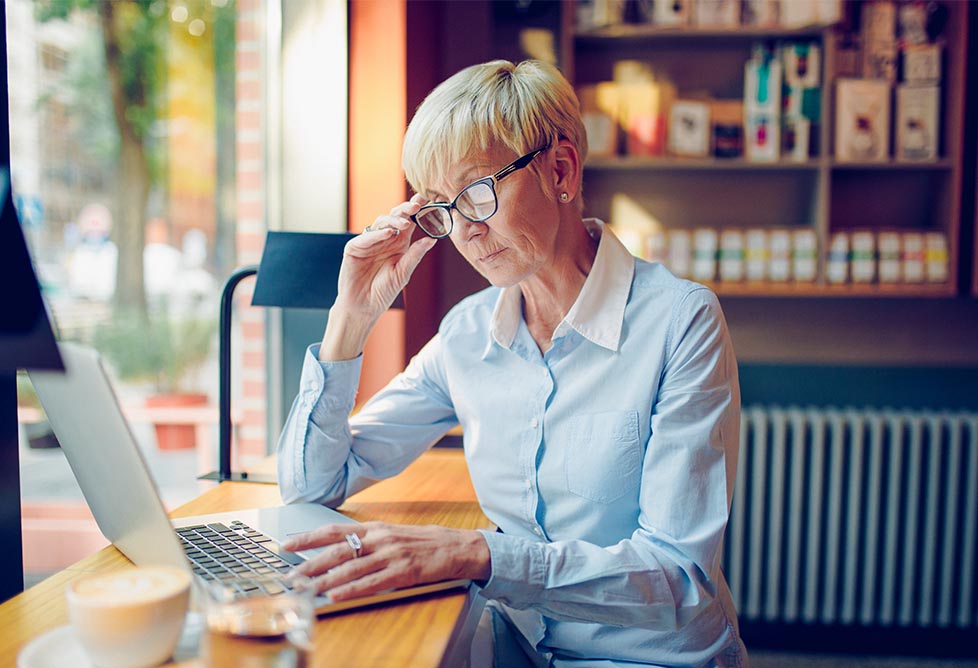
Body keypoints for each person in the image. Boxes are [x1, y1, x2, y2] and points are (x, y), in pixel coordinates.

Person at [277, 59, 747, 668]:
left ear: (561, 170)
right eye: (443, 208)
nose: (466, 231)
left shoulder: (681, 321)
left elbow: (679, 578)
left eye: (476, 191)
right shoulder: (468, 336)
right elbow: (314, 484)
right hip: (515, 651)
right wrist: (352, 315)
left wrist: (478, 554)